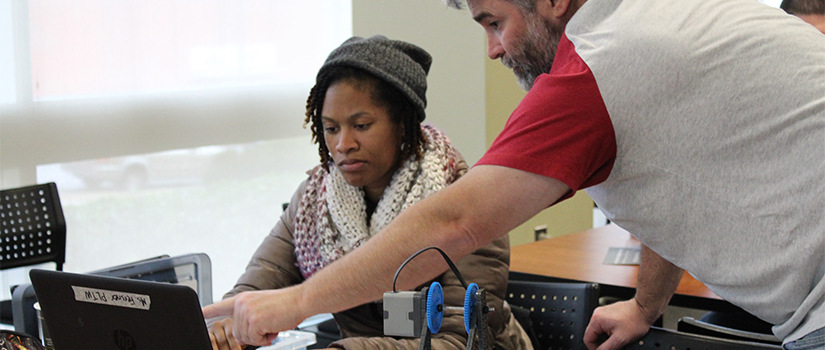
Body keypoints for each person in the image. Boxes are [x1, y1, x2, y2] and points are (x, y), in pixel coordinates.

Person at [204, 1, 825, 350]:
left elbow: (454, 221)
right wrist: (645, 304)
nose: (493, 50)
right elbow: (668, 183)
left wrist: (297, 304)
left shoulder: (599, 69)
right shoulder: (656, 21)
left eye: (494, 21)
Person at [204, 35, 531, 350]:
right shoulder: (314, 203)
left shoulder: (466, 202)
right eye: (331, 129)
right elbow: (263, 279)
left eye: (361, 126)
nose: (343, 144)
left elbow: (461, 340)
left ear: (403, 124)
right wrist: (227, 326)